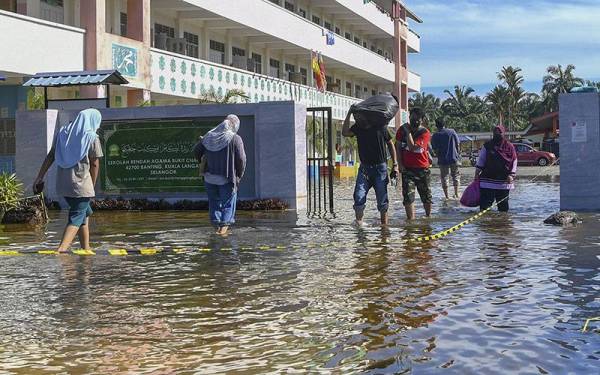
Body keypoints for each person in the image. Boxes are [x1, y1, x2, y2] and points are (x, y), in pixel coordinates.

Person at [34, 108, 104, 252]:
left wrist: (39, 177)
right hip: (81, 184)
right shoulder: (91, 137)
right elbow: (95, 163)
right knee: (76, 217)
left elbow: (51, 156)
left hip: (63, 185)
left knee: (85, 213)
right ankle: (61, 250)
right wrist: (92, 184)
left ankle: (86, 248)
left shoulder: (63, 133)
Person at [342, 107, 399, 226]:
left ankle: (384, 229)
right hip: (364, 169)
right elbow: (345, 132)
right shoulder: (358, 128)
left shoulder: (380, 127)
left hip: (380, 169)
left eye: (358, 116)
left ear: (365, 116)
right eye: (355, 117)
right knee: (358, 197)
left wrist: (395, 165)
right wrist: (348, 113)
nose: (356, 118)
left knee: (382, 201)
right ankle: (359, 227)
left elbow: (390, 144)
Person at [194, 114, 246, 235]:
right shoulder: (235, 139)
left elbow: (196, 151)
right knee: (228, 204)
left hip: (209, 178)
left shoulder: (208, 136)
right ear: (235, 125)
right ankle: (222, 232)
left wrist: (202, 161)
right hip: (226, 178)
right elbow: (242, 160)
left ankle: (217, 229)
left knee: (214, 203)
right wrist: (238, 175)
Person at [396, 108, 433, 220]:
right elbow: (397, 148)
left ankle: (428, 217)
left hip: (422, 169)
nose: (415, 121)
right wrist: (399, 164)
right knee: (408, 196)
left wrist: (408, 133)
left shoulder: (425, 133)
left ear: (422, 120)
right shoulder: (401, 130)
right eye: (413, 118)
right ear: (409, 117)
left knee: (426, 196)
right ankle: (410, 221)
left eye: (418, 119)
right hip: (407, 169)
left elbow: (412, 147)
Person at [475, 125, 517, 212]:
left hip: (504, 182)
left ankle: (502, 224)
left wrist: (511, 175)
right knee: (484, 208)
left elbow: (514, 161)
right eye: (495, 133)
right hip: (487, 181)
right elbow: (481, 161)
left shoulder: (509, 146)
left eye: (500, 133)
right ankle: (486, 225)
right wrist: (476, 174)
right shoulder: (487, 146)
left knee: (503, 208)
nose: (498, 134)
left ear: (503, 133)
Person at [430, 118, 461, 199]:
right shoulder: (452, 131)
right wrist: (457, 154)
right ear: (444, 124)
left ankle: (447, 196)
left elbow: (434, 149)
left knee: (444, 177)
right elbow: (458, 144)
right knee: (456, 176)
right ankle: (456, 194)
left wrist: (438, 155)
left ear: (436, 125)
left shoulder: (435, 135)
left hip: (442, 159)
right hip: (454, 158)